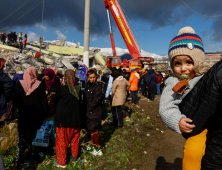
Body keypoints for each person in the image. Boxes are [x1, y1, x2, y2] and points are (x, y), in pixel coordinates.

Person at [159, 26, 213, 170]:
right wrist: (178, 120)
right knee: (192, 154)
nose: (183, 68)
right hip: (197, 128)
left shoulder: (209, 76)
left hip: (216, 125)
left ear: (199, 61)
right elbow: (166, 107)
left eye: (189, 62)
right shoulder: (174, 83)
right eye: (177, 63)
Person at [12, 67, 50, 166]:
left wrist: (19, 108)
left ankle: (19, 158)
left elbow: (14, 100)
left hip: (24, 116)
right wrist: (46, 114)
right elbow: (44, 102)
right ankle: (34, 157)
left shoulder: (19, 84)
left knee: (22, 139)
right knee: (35, 138)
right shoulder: (40, 84)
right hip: (36, 117)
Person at [52, 70, 81, 168]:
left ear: (65, 77)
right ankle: (74, 157)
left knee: (62, 141)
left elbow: (54, 98)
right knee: (75, 139)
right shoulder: (78, 88)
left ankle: (62, 162)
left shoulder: (63, 89)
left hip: (63, 120)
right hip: (76, 119)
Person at [84, 69, 104, 149]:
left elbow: (96, 99)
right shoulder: (88, 85)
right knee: (89, 128)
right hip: (88, 111)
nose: (92, 79)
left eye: (94, 77)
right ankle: (91, 144)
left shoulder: (98, 87)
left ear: (96, 77)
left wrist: (89, 107)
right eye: (90, 77)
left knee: (93, 129)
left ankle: (97, 147)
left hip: (94, 111)